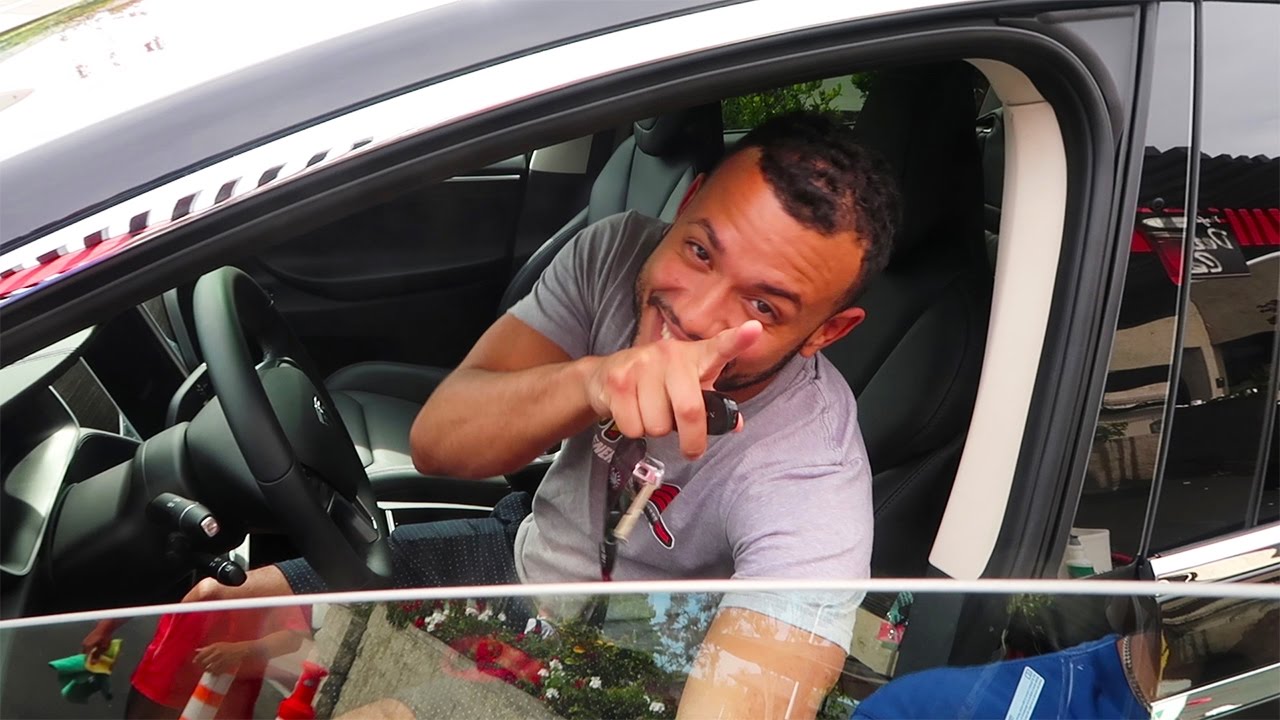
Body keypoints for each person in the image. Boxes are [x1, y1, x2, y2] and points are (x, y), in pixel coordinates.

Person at [185, 110, 900, 717]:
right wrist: (594, 381)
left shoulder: (812, 476)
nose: (695, 315)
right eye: (700, 250)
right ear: (686, 201)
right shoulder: (614, 256)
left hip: (621, 666)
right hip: (518, 558)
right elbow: (440, 442)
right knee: (212, 615)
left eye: (763, 305)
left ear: (826, 332)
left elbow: (746, 692)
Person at [82, 605, 311, 719]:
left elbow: (291, 639)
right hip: (159, 681)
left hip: (224, 698)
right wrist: (105, 627)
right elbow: (150, 589)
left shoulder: (275, 565)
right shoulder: (188, 539)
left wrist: (240, 650)